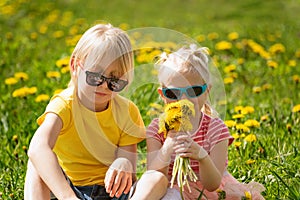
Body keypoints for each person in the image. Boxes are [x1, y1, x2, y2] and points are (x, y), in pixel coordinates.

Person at [24, 23, 145, 200]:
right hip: (71, 190)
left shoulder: (127, 111)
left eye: (114, 80)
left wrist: (124, 162)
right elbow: (37, 148)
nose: (104, 85)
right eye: (95, 76)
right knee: (35, 165)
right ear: (75, 66)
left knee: (154, 179)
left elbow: (130, 173)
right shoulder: (65, 105)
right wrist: (68, 197)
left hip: (112, 192)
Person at [130, 44, 265, 200]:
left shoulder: (215, 129)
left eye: (193, 91)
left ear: (207, 91)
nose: (184, 99)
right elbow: (153, 173)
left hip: (206, 190)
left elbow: (213, 183)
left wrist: (201, 155)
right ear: (163, 95)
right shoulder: (157, 129)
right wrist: (168, 144)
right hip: (169, 186)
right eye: (173, 93)